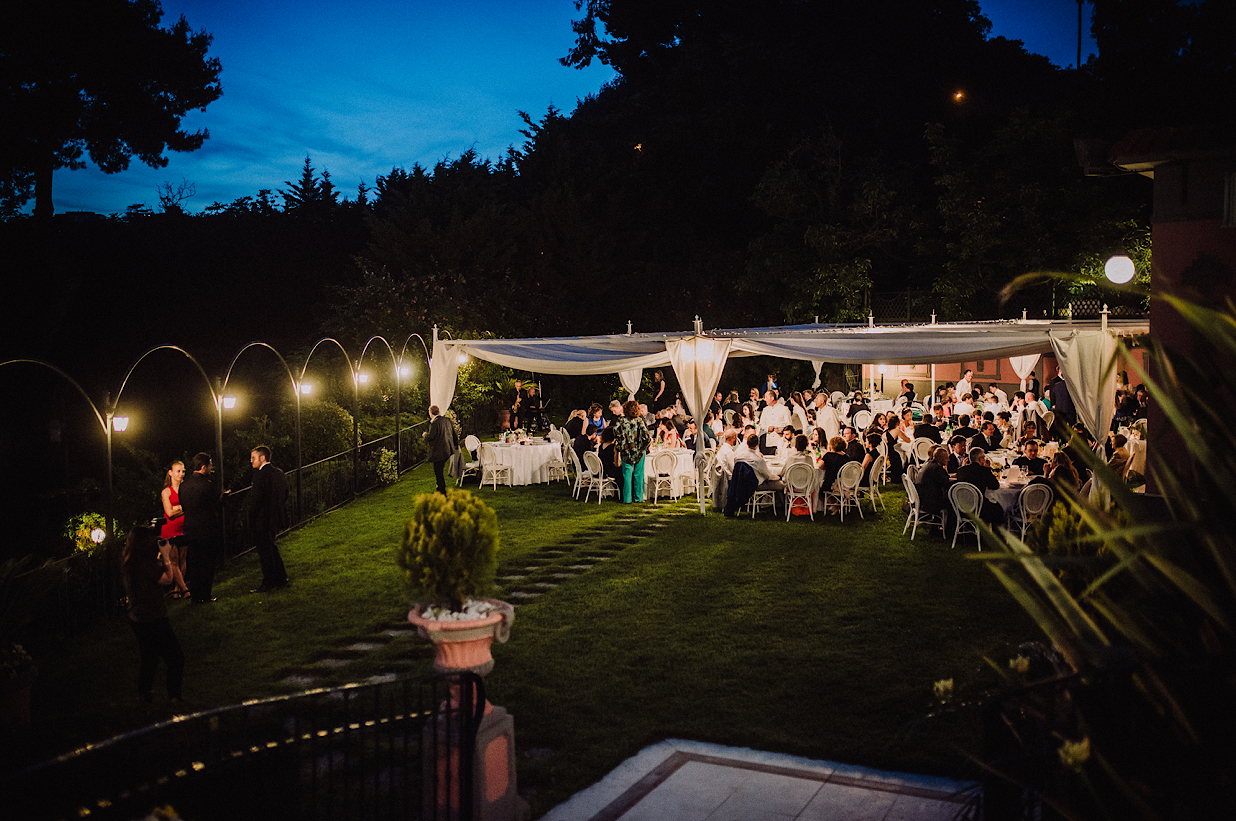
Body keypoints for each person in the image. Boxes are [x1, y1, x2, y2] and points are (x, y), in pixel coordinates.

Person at [120, 525, 184, 703]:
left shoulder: (130, 562)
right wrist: (166, 555)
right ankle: (174, 696)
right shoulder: (144, 565)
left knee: (149, 657)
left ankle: (144, 693)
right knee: (175, 657)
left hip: (138, 617)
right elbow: (168, 579)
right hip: (153, 617)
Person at [179, 452, 224, 604]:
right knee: (207, 562)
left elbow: (184, 505)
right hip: (207, 528)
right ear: (203, 467)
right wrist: (222, 499)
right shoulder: (207, 485)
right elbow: (216, 505)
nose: (211, 468)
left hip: (190, 528)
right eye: (210, 465)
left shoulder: (184, 485)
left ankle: (195, 596)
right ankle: (205, 594)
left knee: (194, 562)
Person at [248, 445, 290, 592]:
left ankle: (269, 581)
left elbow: (256, 500)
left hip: (262, 519)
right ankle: (281, 577)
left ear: (262, 458)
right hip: (275, 517)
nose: (251, 461)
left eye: (253, 458)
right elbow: (285, 493)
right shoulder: (278, 473)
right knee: (271, 547)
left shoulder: (259, 476)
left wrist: (251, 517)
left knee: (265, 551)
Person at [159, 460, 190, 599]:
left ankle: (177, 590)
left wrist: (178, 508)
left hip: (183, 528)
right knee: (174, 561)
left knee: (183, 560)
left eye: (183, 471)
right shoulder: (166, 492)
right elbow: (170, 513)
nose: (181, 474)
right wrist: (183, 508)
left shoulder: (185, 489)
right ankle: (185, 590)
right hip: (170, 530)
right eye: (178, 471)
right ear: (170, 473)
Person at [955, 447, 1006, 526]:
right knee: (999, 508)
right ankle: (995, 531)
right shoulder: (984, 471)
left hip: (962, 507)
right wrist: (988, 469)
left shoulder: (961, 471)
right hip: (980, 508)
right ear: (981, 459)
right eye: (983, 458)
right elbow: (995, 485)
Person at [615, 400, 652, 503]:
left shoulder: (620, 421)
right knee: (638, 474)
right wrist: (644, 446)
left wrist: (621, 445)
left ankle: (627, 498)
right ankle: (638, 497)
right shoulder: (639, 420)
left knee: (627, 475)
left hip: (626, 451)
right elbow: (646, 436)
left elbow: (616, 434)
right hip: (639, 450)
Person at [916, 446, 953, 533]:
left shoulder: (931, 465)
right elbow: (946, 483)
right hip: (929, 502)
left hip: (923, 498)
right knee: (953, 504)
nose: (948, 460)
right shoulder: (936, 469)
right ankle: (949, 530)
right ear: (939, 458)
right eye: (946, 457)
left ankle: (936, 527)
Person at [424, 405, 458, 495]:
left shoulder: (434, 423)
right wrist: (456, 444)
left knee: (438, 472)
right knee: (439, 469)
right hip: (447, 449)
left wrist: (425, 435)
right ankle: (439, 488)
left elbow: (431, 436)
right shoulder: (447, 420)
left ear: (431, 413)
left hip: (439, 451)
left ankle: (442, 491)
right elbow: (454, 433)